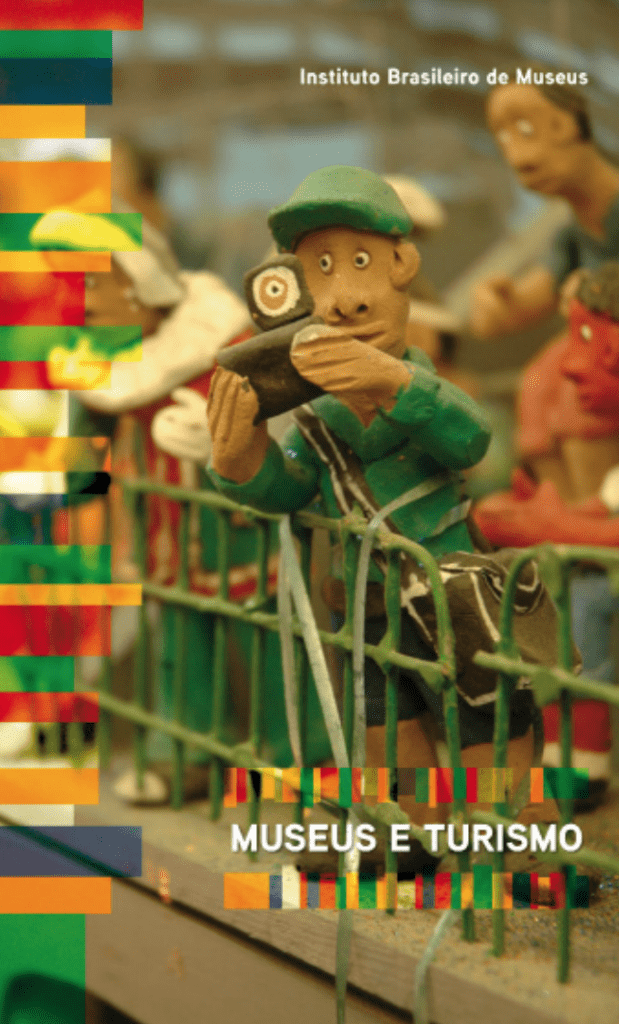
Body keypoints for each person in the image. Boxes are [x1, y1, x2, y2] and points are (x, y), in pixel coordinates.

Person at [207, 165, 555, 870]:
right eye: (321, 270)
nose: (343, 298)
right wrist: (241, 460)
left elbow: (469, 439)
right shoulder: (318, 417)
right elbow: (291, 489)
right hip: (368, 602)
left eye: (360, 263)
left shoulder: (425, 385)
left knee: (486, 714)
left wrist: (395, 385)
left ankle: (515, 826)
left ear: (402, 265)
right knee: (386, 725)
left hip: (451, 588)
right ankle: (409, 829)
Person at [31, 202, 332, 800]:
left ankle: (305, 754)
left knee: (265, 636)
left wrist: (231, 433)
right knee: (177, 640)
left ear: (140, 283)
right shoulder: (102, 359)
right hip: (162, 522)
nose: (81, 300)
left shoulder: (220, 338)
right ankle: (188, 751)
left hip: (236, 521)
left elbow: (289, 415)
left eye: (92, 282)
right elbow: (85, 449)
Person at [469, 81, 619, 801]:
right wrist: (498, 299)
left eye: (526, 128)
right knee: (544, 382)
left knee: (563, 387)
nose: (514, 150)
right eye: (503, 137)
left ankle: (580, 522)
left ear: (569, 123)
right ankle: (576, 520)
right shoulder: (570, 230)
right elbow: (518, 307)